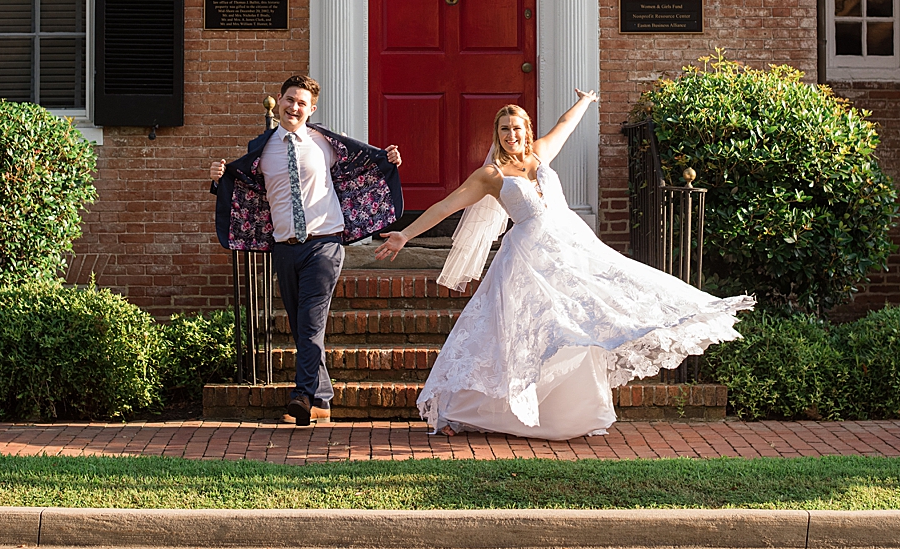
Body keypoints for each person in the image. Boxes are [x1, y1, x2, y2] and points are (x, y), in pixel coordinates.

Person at [374, 90, 753, 439]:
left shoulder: (540, 154)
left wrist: (586, 102)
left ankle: (574, 413)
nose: (512, 135)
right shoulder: (491, 175)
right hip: (527, 257)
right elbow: (446, 204)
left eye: (517, 128)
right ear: (497, 134)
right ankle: (462, 409)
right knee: (510, 334)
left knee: (580, 323)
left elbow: (565, 126)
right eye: (504, 130)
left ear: (527, 130)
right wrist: (405, 234)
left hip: (571, 249)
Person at [211, 75, 403, 426]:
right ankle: (323, 402)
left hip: (324, 244)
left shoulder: (324, 143)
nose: (293, 107)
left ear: (311, 109)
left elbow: (366, 164)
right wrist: (218, 177)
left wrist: (389, 158)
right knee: (302, 329)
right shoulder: (262, 147)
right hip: (284, 248)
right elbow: (242, 185)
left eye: (301, 103)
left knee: (311, 323)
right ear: (279, 101)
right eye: (289, 100)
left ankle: (301, 396)